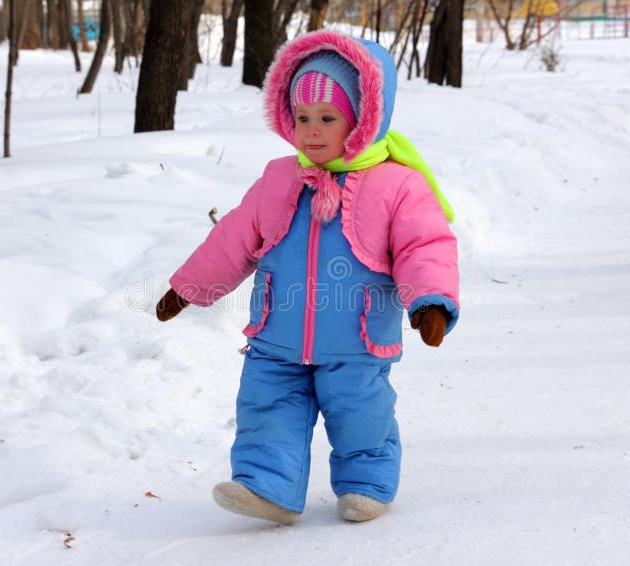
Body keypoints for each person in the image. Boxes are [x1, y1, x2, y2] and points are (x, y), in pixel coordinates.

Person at [156, 30, 459, 525]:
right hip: (276, 336)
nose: (311, 132)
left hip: (357, 341)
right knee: (265, 407)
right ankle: (266, 484)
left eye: (327, 118)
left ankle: (366, 484)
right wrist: (189, 287)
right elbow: (235, 237)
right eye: (302, 118)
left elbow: (423, 245)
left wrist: (430, 302)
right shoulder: (280, 178)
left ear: (363, 120)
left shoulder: (396, 184)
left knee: (362, 417)